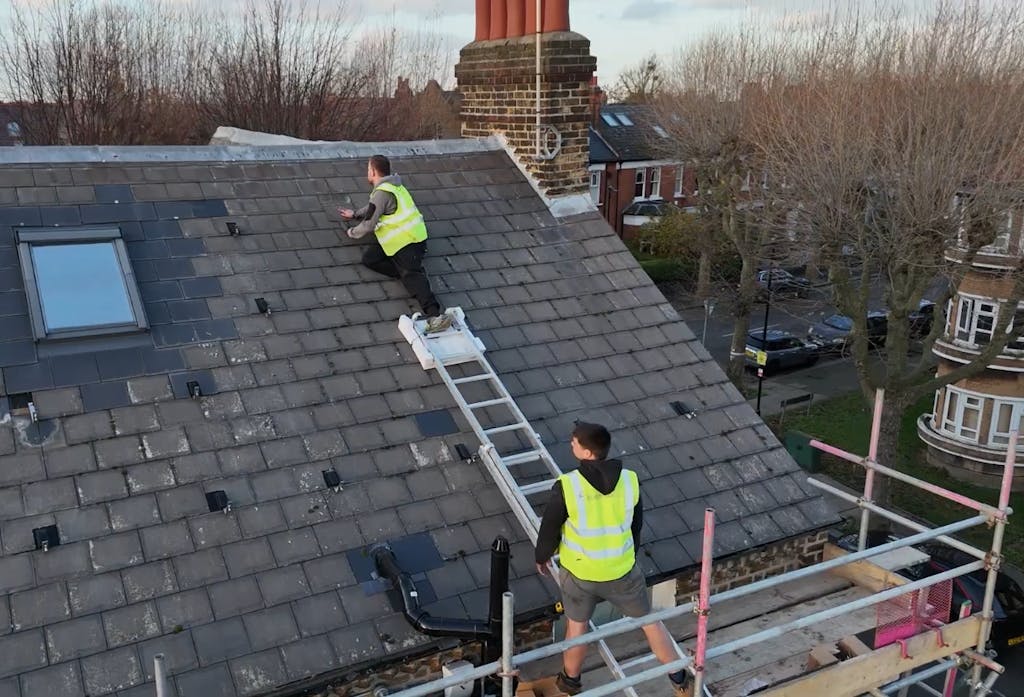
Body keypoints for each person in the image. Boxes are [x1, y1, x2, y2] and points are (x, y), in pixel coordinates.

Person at [535, 422, 693, 697]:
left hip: (581, 574)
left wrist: (542, 557)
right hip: (622, 571)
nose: (570, 445)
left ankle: (570, 682)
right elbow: (636, 525)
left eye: (574, 443)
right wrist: (626, 555)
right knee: (648, 621)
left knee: (578, 628)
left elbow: (549, 528)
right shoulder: (630, 479)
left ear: (586, 453)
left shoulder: (568, 486)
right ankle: (679, 677)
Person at [339, 155, 451, 333]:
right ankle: (403, 272)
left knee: (412, 275)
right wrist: (354, 215)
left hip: (408, 242)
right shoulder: (393, 185)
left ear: (374, 171)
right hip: (398, 240)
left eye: (368, 169)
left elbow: (369, 223)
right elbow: (373, 207)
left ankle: (435, 315)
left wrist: (352, 232)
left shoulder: (382, 192)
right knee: (369, 259)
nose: (367, 173)